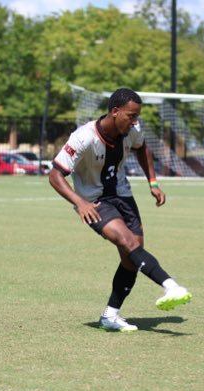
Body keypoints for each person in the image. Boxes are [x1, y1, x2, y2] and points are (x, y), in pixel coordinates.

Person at [49, 88, 192, 332]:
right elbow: (55, 175)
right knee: (127, 242)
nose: (135, 121)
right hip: (94, 202)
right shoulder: (83, 137)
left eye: (137, 116)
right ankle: (171, 285)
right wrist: (80, 202)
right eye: (131, 115)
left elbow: (143, 148)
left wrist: (153, 183)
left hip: (123, 196)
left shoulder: (131, 131)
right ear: (115, 112)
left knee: (131, 258)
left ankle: (110, 315)